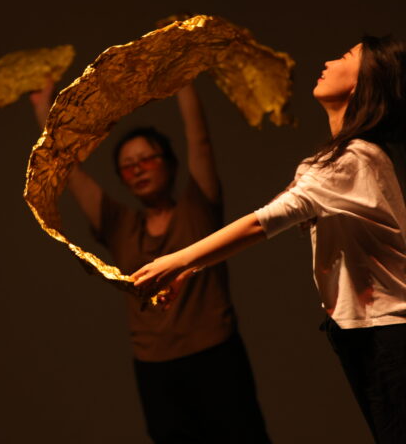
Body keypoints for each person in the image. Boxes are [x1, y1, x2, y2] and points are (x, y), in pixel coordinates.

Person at [132, 36, 406, 443]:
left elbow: (262, 222)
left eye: (346, 56)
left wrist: (179, 261)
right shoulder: (339, 161)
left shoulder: (354, 160)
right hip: (366, 335)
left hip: (389, 335)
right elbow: (280, 207)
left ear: (365, 81)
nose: (329, 61)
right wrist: (188, 270)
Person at [30, 81, 270, 443]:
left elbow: (200, 141)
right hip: (155, 368)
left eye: (146, 159)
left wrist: (183, 79)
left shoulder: (197, 207)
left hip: (216, 355)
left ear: (170, 164)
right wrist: (42, 110)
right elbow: (69, 170)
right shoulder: (120, 225)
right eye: (127, 167)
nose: (138, 170)